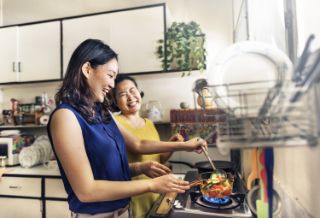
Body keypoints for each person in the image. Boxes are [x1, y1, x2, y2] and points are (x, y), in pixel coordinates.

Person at [47, 38, 207, 218]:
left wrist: (141, 167)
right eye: (110, 75)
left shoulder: (102, 112)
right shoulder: (65, 117)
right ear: (87, 69)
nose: (113, 84)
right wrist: (151, 184)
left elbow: (137, 144)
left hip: (124, 211)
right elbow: (87, 190)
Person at [113, 75, 183, 218]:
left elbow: (158, 160)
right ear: (115, 101)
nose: (130, 97)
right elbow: (138, 147)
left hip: (155, 193)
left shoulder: (149, 123)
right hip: (131, 197)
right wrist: (182, 145)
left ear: (139, 92)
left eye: (133, 91)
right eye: (122, 94)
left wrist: (171, 146)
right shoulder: (114, 122)